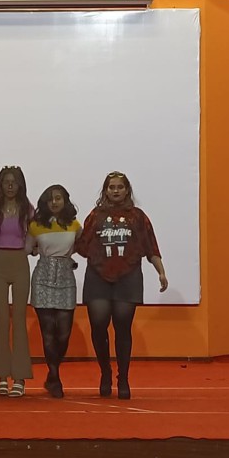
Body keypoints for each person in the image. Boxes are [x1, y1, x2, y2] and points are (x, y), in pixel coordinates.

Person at [74, 171, 168, 400]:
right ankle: (105, 372)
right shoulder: (95, 216)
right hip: (98, 276)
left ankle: (123, 378)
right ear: (105, 191)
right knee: (98, 325)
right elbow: (82, 246)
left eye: (120, 187)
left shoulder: (138, 217)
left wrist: (161, 272)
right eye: (111, 187)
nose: (115, 191)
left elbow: (151, 247)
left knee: (122, 327)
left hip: (128, 276)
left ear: (127, 190)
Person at [25, 185, 81, 399]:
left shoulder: (74, 225)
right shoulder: (36, 225)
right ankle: (55, 377)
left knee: (64, 333)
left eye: (58, 198)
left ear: (65, 201)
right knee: (48, 332)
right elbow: (27, 249)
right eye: (50, 199)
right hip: (43, 277)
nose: (54, 202)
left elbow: (83, 245)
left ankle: (52, 372)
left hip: (66, 277)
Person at [0, 166, 34, 397]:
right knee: (3, 319)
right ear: (0, 184)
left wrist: (27, 250)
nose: (10, 186)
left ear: (20, 185)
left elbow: (34, 234)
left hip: (19, 261)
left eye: (14, 182)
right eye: (6, 182)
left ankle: (20, 377)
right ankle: (2, 376)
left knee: (19, 318)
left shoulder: (28, 209)